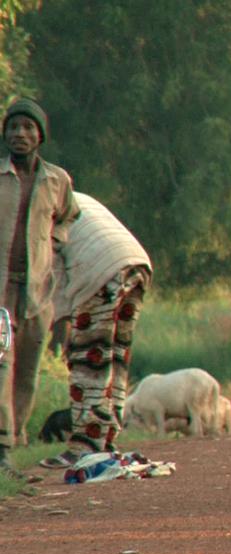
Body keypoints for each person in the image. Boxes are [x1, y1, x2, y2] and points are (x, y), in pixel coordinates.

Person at [38, 192, 152, 469]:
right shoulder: (73, 196)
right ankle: (107, 441)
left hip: (99, 271)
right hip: (136, 264)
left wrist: (62, 322)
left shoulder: (41, 211)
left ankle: (83, 447)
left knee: (88, 362)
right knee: (115, 357)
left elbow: (53, 269)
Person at [0, 99, 80, 478]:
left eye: (28, 128)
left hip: (38, 292)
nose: (20, 134)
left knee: (27, 373)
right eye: (13, 127)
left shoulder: (57, 180)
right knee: (1, 364)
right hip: (1, 292)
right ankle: (2, 446)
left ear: (40, 135)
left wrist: (50, 244)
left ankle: (14, 439)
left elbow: (67, 218)